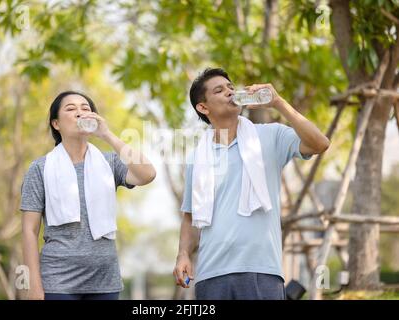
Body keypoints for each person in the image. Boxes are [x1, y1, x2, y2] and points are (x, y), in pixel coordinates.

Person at [173, 68, 330, 300]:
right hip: (211, 275)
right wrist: (183, 254)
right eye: (219, 90)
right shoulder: (197, 157)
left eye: (230, 87)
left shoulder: (270, 136)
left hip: (261, 272)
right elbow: (190, 216)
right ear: (203, 107)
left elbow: (320, 143)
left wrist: (278, 103)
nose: (229, 91)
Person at [20, 91, 156, 300]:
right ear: (56, 124)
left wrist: (108, 135)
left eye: (85, 108)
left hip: (104, 280)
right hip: (57, 281)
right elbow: (29, 231)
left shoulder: (109, 162)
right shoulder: (40, 168)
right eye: (71, 108)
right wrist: (33, 285)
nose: (80, 113)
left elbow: (148, 174)